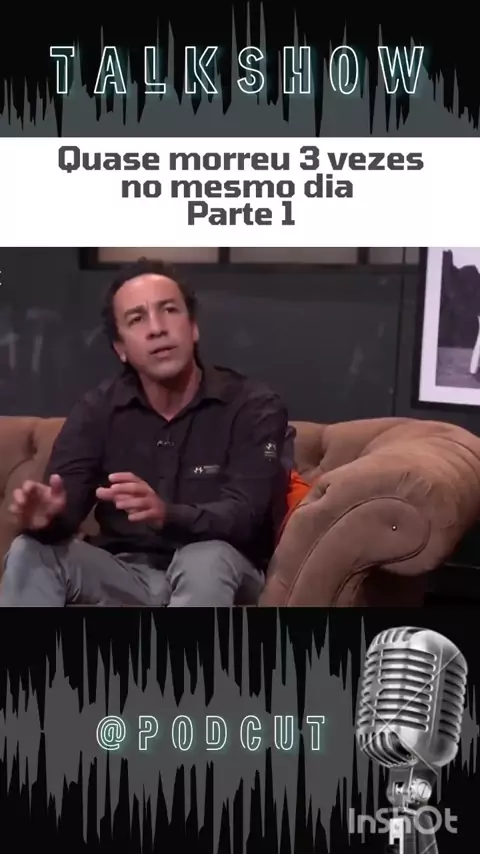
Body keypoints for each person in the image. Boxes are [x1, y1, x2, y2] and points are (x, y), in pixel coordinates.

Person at [0, 258, 291, 607]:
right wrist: (47, 519)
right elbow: (66, 508)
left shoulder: (252, 406)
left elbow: (245, 516)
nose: (157, 328)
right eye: (137, 319)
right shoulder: (98, 410)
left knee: (204, 559)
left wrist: (166, 514)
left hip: (224, 568)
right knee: (30, 550)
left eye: (168, 310)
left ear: (193, 327)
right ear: (120, 348)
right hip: (127, 574)